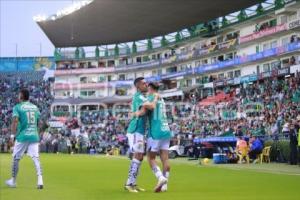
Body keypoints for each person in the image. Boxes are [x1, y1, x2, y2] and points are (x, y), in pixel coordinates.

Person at [133, 82, 170, 192]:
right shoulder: (162, 99)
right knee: (165, 158)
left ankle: (161, 178)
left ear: (150, 88)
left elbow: (144, 111)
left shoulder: (150, 97)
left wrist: (136, 113)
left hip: (155, 132)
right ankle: (164, 186)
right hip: (166, 130)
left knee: (150, 157)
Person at [5, 89, 44, 189]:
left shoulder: (17, 107)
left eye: (19, 94)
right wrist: (38, 132)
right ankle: (40, 181)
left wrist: (12, 136)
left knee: (16, 158)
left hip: (22, 136)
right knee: (36, 158)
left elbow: (15, 121)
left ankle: (13, 181)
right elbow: (40, 123)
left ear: (21, 96)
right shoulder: (35, 107)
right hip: (34, 136)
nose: (18, 96)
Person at [124, 77, 148, 193]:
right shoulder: (138, 97)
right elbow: (142, 111)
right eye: (144, 83)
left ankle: (132, 183)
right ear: (138, 86)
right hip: (135, 130)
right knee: (137, 155)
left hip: (140, 131)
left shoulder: (143, 97)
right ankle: (129, 183)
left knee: (140, 156)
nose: (146, 85)